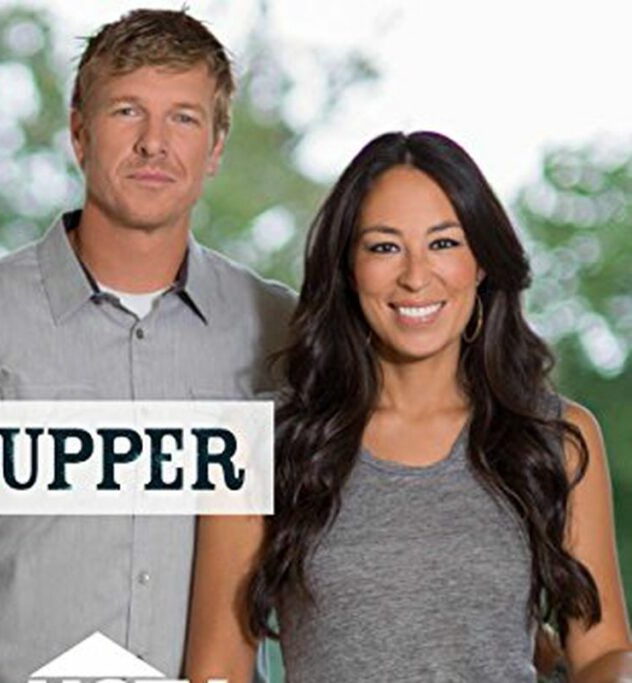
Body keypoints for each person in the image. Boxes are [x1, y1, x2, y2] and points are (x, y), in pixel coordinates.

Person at [0, 9, 296, 683]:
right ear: (79, 133)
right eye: (128, 112)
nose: (155, 143)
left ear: (215, 148)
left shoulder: (278, 329)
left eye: (184, 118)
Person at [184, 131, 632, 682]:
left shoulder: (556, 436)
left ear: (483, 263)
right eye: (384, 246)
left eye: (444, 243)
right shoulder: (255, 443)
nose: (416, 277)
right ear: (349, 269)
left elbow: (603, 652)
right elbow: (217, 670)